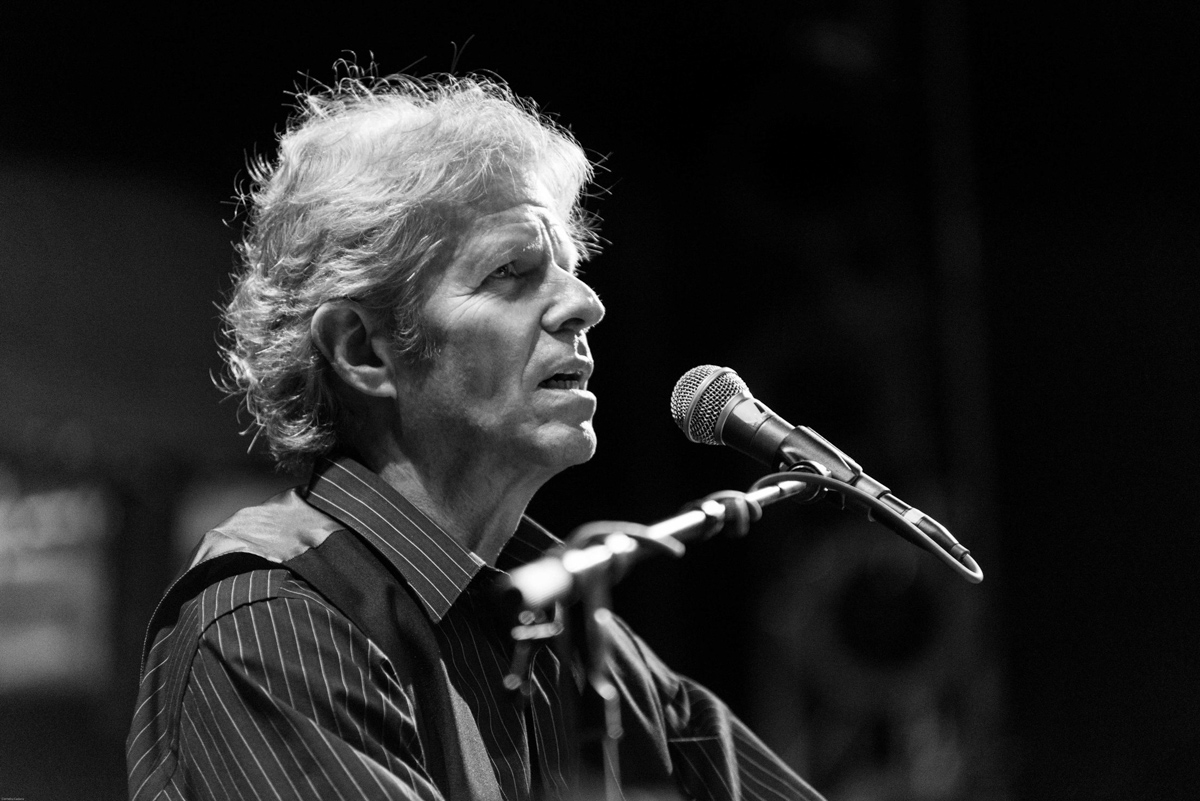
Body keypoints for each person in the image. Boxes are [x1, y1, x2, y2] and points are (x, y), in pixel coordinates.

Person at [126, 71, 825, 801]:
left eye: (569, 268)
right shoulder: (266, 627)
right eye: (511, 272)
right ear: (363, 351)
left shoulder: (571, 631)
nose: (586, 303)